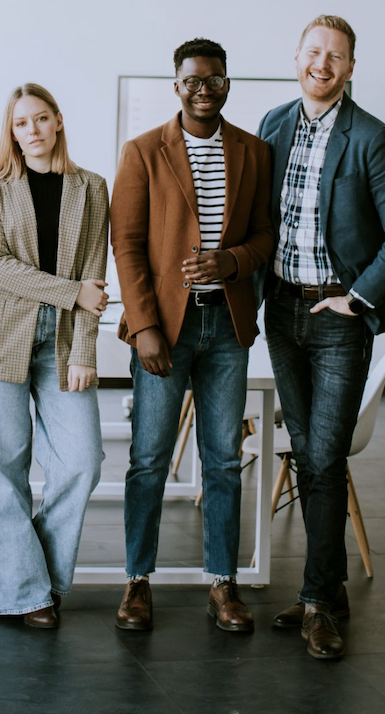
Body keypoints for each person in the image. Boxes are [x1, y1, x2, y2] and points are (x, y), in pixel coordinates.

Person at [258, 15, 385, 660]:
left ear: (351, 68)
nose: (321, 64)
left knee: (323, 459)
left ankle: (320, 602)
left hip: (337, 321)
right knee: (307, 454)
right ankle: (326, 588)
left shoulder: (375, 140)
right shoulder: (273, 124)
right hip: (281, 311)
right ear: (295, 58)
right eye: (313, 52)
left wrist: (355, 300)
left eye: (336, 56)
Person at [110, 38, 274, 632]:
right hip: (166, 331)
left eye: (214, 80)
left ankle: (223, 584)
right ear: (176, 85)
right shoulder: (143, 152)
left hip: (227, 327)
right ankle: (137, 581)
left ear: (227, 82)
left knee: (223, 462)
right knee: (148, 460)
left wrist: (229, 262)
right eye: (192, 81)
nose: (203, 89)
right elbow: (125, 246)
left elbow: (263, 237)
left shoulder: (254, 153)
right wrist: (145, 326)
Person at [0, 83, 109, 629]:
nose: (32, 131)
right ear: (12, 132)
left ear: (59, 121)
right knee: (3, 467)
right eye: (21, 124)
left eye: (41, 119)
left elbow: (95, 271)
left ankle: (32, 573)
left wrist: (84, 348)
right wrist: (70, 294)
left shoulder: (91, 187)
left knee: (82, 461)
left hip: (64, 339)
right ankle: (26, 593)